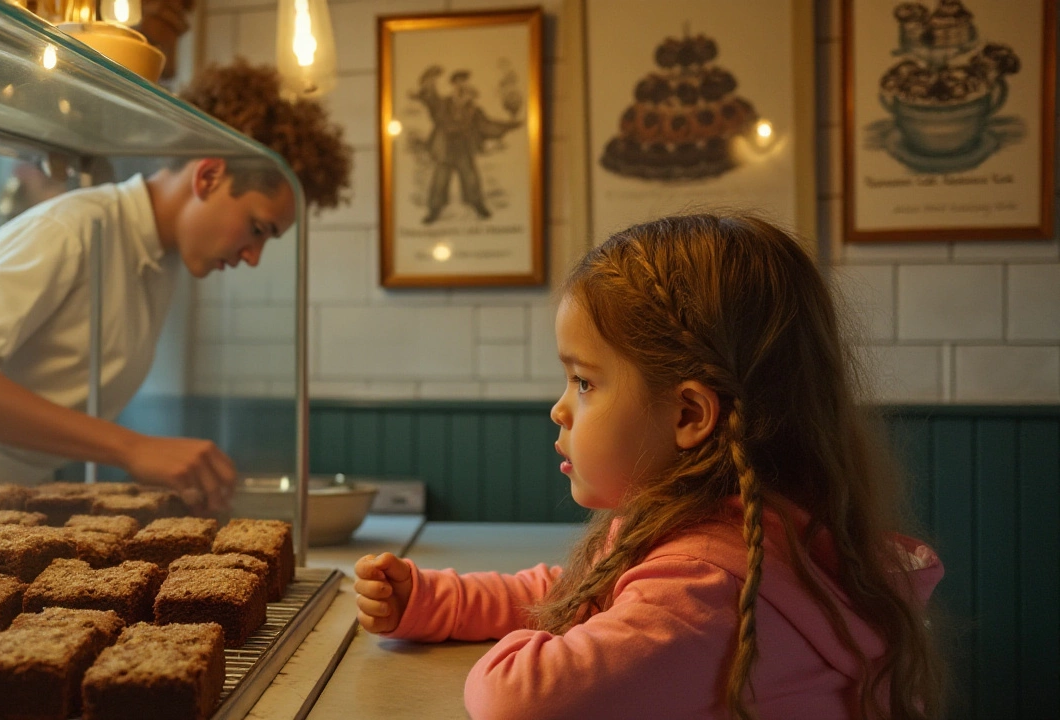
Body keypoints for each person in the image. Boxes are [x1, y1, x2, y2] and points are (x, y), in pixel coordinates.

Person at [354, 214, 947, 719]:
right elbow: (574, 591)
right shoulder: (747, 532)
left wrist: (533, 642)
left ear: (689, 412)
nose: (560, 408)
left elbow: (520, 699)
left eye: (584, 381)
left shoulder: (704, 588)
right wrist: (437, 602)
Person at [0, 60, 351, 515]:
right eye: (257, 228)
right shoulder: (71, 228)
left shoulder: (160, 263)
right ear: (208, 177)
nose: (254, 257)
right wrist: (133, 448)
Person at [412, 68, 521, 224]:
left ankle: (477, 205)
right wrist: (429, 80)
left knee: (470, 177)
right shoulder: (443, 104)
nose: (462, 88)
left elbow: (487, 125)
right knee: (440, 179)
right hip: (445, 147)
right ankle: (434, 210)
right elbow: (430, 99)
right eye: (458, 83)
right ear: (453, 85)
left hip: (463, 148)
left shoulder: (474, 110)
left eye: (465, 84)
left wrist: (508, 126)